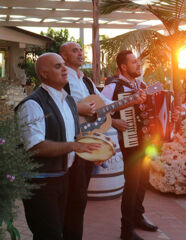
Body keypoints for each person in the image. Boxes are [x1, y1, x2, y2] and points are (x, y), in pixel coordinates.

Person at [59, 42, 145, 240]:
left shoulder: (86, 81)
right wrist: (80, 110)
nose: (80, 53)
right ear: (63, 55)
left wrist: (129, 101)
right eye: (74, 50)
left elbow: (104, 105)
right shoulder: (63, 80)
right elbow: (62, 106)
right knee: (72, 199)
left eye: (81, 50)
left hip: (87, 142)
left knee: (79, 199)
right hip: (71, 143)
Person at [15, 53, 101, 240]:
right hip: (40, 183)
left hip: (64, 178)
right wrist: (74, 146)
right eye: (57, 66)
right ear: (44, 74)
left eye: (64, 65)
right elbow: (34, 146)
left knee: (64, 228)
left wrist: (92, 154)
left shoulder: (69, 100)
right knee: (48, 234)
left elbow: (74, 137)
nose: (64, 69)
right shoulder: (32, 105)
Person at [101, 50, 157, 240]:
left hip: (145, 142)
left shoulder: (142, 86)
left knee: (143, 182)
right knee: (132, 185)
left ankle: (138, 217)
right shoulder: (112, 87)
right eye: (134, 62)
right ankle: (126, 230)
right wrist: (115, 123)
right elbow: (99, 112)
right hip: (127, 142)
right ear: (123, 67)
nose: (138, 65)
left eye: (138, 62)